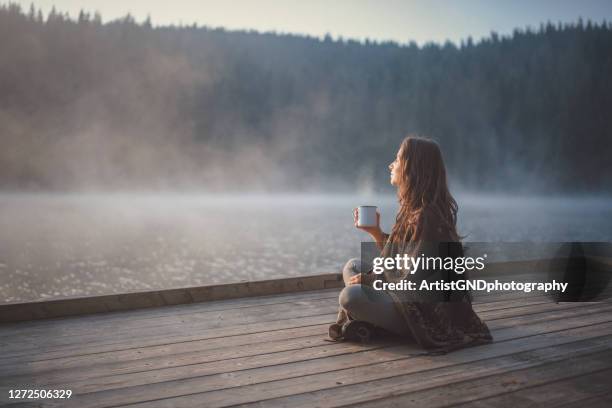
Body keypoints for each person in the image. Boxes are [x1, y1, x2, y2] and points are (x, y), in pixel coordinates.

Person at [332, 136, 492, 351]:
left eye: (397, 159)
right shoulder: (413, 209)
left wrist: (370, 280)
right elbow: (400, 260)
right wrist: (376, 233)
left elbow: (412, 281)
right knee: (353, 266)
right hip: (405, 295)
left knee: (351, 296)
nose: (392, 165)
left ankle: (377, 323)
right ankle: (372, 319)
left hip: (426, 314)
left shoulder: (427, 217)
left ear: (412, 167)